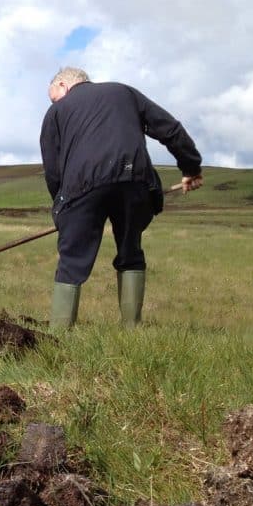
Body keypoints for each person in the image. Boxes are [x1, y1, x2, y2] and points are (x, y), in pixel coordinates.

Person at [39, 67, 203, 329]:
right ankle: (132, 329)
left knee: (71, 260)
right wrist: (191, 168)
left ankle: (59, 335)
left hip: (82, 185)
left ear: (62, 85)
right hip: (134, 180)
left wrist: (61, 209)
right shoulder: (124, 92)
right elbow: (170, 129)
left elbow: (53, 169)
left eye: (53, 96)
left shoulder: (57, 111)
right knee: (131, 252)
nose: (55, 103)